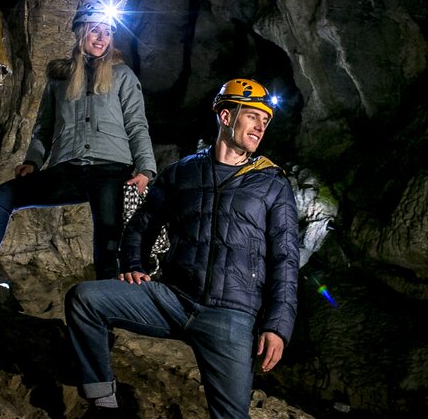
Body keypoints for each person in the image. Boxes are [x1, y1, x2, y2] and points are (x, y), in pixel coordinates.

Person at [64, 78, 300, 418]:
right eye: (252, 116)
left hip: (231, 315)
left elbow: (286, 260)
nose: (260, 127)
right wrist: (133, 263)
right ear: (225, 116)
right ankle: (103, 404)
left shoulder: (272, 184)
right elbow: (141, 225)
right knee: (85, 299)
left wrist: (277, 326)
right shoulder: (183, 172)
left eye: (265, 122)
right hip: (172, 299)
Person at [0, 0, 158, 304]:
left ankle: (105, 312)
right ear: (80, 33)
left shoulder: (123, 76)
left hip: (111, 170)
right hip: (68, 169)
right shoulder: (59, 78)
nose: (101, 37)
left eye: (107, 33)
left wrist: (145, 170)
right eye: (94, 30)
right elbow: (43, 127)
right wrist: (33, 161)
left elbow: (137, 124)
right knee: (4, 196)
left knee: (107, 240)